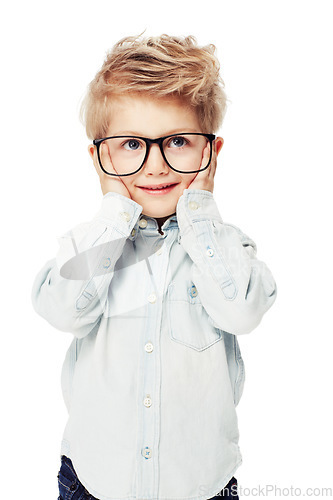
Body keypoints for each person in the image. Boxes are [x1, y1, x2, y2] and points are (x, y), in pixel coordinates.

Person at [31, 34, 277, 500]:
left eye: (179, 142)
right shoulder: (89, 243)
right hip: (94, 482)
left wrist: (201, 213)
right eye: (129, 145)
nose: (155, 166)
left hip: (200, 485)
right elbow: (64, 311)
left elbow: (241, 312)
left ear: (210, 152)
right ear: (100, 157)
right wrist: (113, 212)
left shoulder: (223, 247)